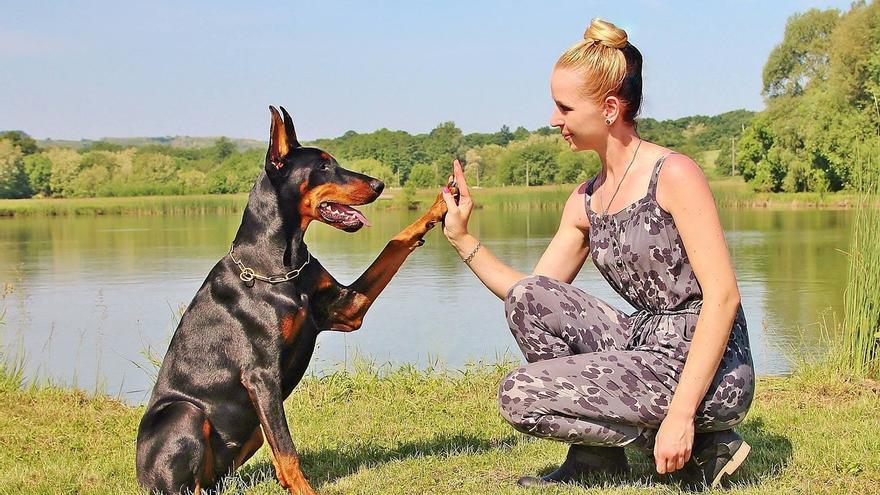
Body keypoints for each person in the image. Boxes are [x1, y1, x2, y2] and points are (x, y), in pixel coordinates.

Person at [439, 18, 755, 489]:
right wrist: (463, 238)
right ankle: (597, 459)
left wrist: (681, 415)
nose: (552, 119)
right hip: (643, 343)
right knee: (529, 298)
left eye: (564, 107)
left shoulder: (675, 174)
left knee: (519, 394)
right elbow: (530, 293)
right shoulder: (585, 200)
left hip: (708, 363)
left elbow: (724, 297)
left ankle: (697, 438)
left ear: (609, 108)